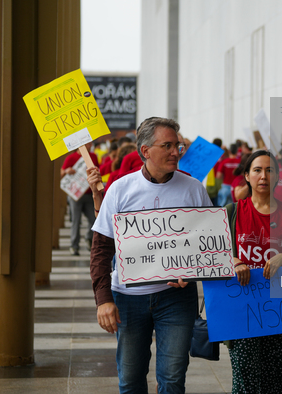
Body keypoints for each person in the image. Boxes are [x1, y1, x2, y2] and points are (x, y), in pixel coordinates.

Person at [90, 117, 212, 393]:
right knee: (130, 380)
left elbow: (207, 244)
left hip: (177, 299)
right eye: (167, 145)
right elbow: (101, 249)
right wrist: (103, 299)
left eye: (178, 146)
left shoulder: (194, 189)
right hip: (128, 299)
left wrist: (191, 273)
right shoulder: (120, 190)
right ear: (145, 151)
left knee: (172, 378)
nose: (175, 152)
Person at [225, 150, 282, 394]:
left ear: (278, 177)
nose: (264, 175)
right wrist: (234, 261)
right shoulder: (232, 212)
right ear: (247, 176)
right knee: (246, 381)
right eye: (258, 170)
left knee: (274, 380)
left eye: (270, 170)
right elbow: (214, 255)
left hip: (279, 310)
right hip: (242, 309)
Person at [61, 142, 99, 255]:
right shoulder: (71, 158)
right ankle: (74, 246)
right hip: (75, 195)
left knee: (93, 219)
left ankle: (89, 238)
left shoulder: (93, 156)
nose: (90, 145)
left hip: (89, 193)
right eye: (88, 144)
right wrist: (67, 171)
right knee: (76, 221)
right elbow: (61, 172)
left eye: (91, 143)